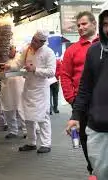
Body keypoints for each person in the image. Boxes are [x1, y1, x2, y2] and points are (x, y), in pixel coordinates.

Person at [66, 10, 108, 180]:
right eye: (106, 24)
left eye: (84, 24)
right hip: (96, 124)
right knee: (100, 171)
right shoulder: (92, 51)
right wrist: (75, 112)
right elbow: (84, 86)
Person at [2, 30, 56, 153]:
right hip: (28, 87)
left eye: (36, 41)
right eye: (32, 39)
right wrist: (10, 66)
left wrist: (35, 69)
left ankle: (46, 143)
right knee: (28, 116)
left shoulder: (49, 53)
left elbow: (51, 72)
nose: (33, 43)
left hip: (41, 88)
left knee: (43, 116)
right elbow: (19, 63)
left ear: (42, 42)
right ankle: (31, 142)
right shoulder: (27, 50)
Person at [61, 11, 98, 174]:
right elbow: (65, 75)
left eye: (84, 24)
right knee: (85, 139)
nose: (80, 28)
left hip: (103, 102)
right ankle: (93, 170)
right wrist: (71, 99)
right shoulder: (72, 50)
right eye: (78, 25)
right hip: (82, 103)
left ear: (94, 24)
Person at [0, 45, 27, 139]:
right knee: (8, 108)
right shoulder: (3, 59)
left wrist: (10, 67)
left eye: (10, 50)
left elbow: (22, 69)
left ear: (14, 49)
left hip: (19, 86)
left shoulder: (20, 57)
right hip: (7, 86)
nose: (8, 53)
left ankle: (26, 130)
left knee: (21, 108)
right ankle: (13, 130)